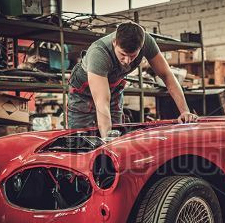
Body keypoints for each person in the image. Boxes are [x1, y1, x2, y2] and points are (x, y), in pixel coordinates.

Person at [67, 21, 198, 138]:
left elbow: (167, 75)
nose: (127, 61)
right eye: (123, 54)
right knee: (80, 139)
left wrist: (185, 111)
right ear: (114, 42)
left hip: (113, 87)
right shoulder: (99, 54)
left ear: (141, 47)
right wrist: (107, 141)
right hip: (83, 90)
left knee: (117, 133)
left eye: (133, 56)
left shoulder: (146, 41)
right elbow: (102, 102)